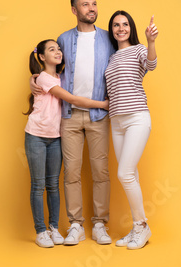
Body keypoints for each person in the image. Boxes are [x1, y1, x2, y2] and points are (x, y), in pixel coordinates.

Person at [30, 0, 115, 246]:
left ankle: (100, 224)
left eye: (94, 3)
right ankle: (76, 224)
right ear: (74, 10)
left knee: (101, 171)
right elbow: (50, 67)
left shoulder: (109, 39)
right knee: (71, 173)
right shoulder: (64, 39)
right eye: (85, 4)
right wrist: (33, 77)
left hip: (99, 114)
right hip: (68, 115)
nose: (91, 8)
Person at [24, 39, 109, 248]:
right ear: (42, 57)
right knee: (38, 185)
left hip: (55, 137)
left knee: (53, 184)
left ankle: (53, 227)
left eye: (59, 48)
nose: (58, 52)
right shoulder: (43, 78)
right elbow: (71, 99)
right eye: (52, 49)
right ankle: (41, 231)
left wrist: (31, 79)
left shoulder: (61, 77)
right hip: (36, 135)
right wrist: (103, 104)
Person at [105, 10, 158, 250]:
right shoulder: (112, 57)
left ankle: (141, 226)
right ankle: (137, 228)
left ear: (131, 27)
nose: (120, 28)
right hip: (116, 122)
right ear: (112, 30)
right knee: (131, 174)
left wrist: (151, 42)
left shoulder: (138, 50)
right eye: (116, 25)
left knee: (124, 174)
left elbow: (152, 64)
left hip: (137, 118)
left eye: (125, 24)